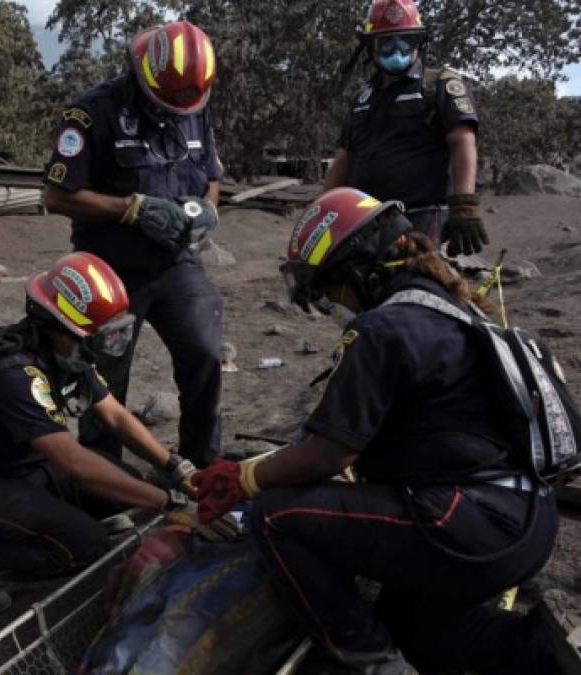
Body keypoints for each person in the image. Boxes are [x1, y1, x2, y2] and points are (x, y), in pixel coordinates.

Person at [192, 188, 559, 674]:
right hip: (528, 522)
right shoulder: (454, 310)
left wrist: (243, 478)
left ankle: (370, 665)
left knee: (277, 517)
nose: (325, 307)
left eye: (324, 292)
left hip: (473, 525)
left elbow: (327, 456)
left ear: (359, 272)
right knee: (411, 626)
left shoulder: (384, 329)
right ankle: (542, 653)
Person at [0, 252, 233, 613]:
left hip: (26, 468)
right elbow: (74, 462)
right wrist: (170, 504)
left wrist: (177, 470)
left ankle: (59, 523)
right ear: (62, 326)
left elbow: (115, 416)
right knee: (85, 547)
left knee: (126, 488)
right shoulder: (9, 370)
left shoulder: (68, 353)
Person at [42, 20, 224, 469]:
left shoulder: (193, 103)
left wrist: (205, 211)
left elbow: (213, 177)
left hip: (175, 263)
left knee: (205, 353)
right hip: (109, 271)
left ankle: (202, 467)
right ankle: (104, 484)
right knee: (104, 379)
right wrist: (131, 208)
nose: (179, 110)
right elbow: (56, 194)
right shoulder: (91, 114)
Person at [323, 0, 488, 257]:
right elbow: (344, 158)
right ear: (370, 47)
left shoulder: (440, 86)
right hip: (365, 224)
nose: (396, 50)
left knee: (419, 288)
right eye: (386, 43)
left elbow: (462, 142)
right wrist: (322, 212)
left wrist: (463, 205)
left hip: (422, 219)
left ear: (418, 42)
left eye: (405, 41)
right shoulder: (362, 98)